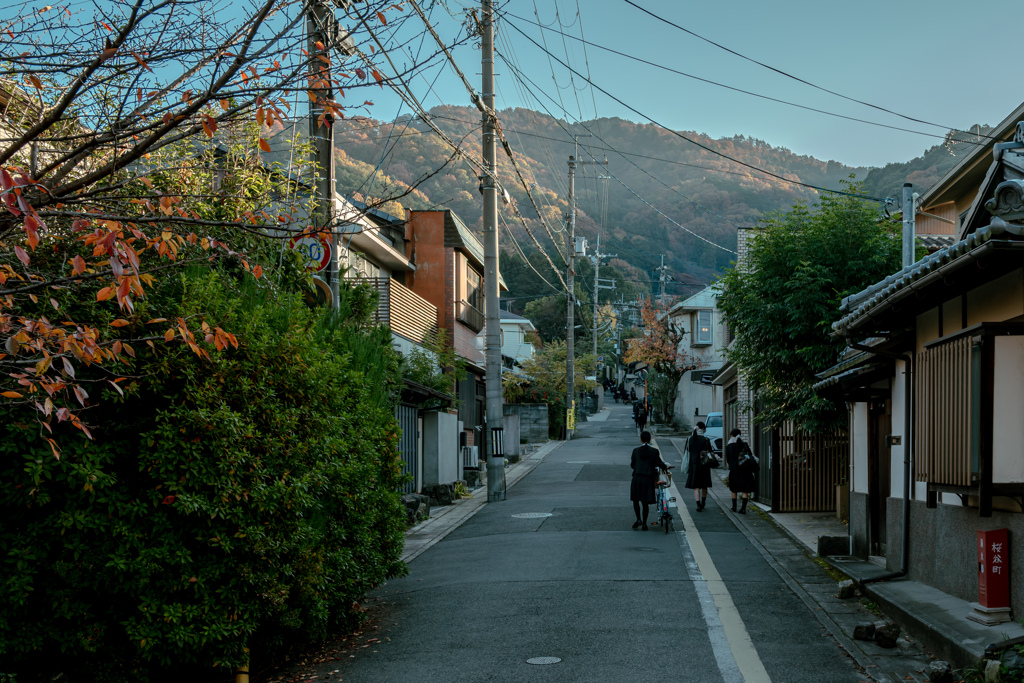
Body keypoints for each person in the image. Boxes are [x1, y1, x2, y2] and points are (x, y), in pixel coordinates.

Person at [630, 430, 672, 530]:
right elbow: (659, 463)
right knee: (645, 502)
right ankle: (644, 523)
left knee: (636, 500)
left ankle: (638, 519)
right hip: (647, 479)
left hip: (637, 478)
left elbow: (632, 465)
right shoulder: (654, 451)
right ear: (649, 439)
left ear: (641, 439)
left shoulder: (635, 451)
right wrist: (666, 466)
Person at [725, 428, 756, 514]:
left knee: (734, 489)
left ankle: (734, 507)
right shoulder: (744, 445)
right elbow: (750, 456)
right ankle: (743, 508)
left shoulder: (729, 447)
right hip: (745, 470)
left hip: (734, 470)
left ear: (731, 436)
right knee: (744, 490)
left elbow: (728, 460)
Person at [685, 421, 714, 511]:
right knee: (704, 485)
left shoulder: (690, 439)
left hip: (694, 465)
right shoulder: (706, 439)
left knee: (696, 486)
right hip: (704, 465)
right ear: (702, 429)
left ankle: (698, 504)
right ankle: (703, 503)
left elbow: (687, 451)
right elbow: (709, 451)